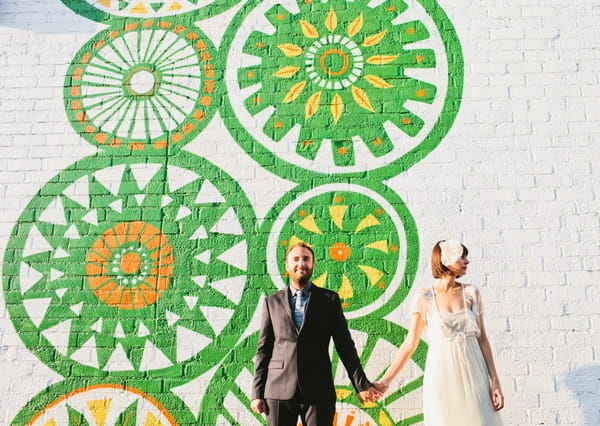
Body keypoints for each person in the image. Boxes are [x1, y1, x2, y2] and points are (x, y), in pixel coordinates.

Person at [250, 242, 383, 425]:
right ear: (287, 266)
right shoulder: (271, 302)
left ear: (313, 265)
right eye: (295, 259)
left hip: (318, 389)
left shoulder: (328, 300)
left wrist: (361, 385)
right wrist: (257, 393)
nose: (301, 263)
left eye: (306, 259)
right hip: (278, 389)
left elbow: (345, 346)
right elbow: (263, 349)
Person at [374, 240, 504, 425]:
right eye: (462, 256)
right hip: (441, 375)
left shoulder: (471, 293)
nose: (467, 261)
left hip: (475, 374)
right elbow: (410, 343)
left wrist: (495, 381)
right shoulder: (425, 296)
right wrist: (386, 381)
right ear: (445, 259)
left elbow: (483, 339)